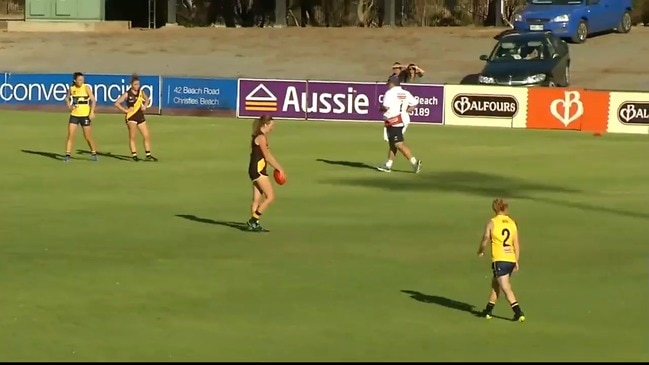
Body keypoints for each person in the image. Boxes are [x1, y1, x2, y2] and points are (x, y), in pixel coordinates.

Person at [476, 198, 526, 322]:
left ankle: (518, 312)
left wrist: (481, 250)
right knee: (495, 285)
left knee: (505, 287)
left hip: (500, 259)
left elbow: (485, 238)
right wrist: (516, 261)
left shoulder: (492, 222)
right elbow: (516, 244)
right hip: (510, 259)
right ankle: (488, 311)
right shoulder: (511, 222)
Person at [247, 115, 285, 232]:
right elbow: (267, 157)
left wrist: (278, 166)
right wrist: (280, 169)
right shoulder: (261, 138)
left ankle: (254, 224)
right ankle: (253, 220)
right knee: (270, 197)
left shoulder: (259, 136)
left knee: (256, 199)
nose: (272, 128)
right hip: (258, 170)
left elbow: (268, 154)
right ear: (265, 124)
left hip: (254, 170)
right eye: (271, 126)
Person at [377, 76, 421, 173]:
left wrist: (380, 108)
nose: (388, 86)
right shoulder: (405, 92)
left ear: (392, 83)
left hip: (394, 120)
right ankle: (388, 164)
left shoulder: (389, 93)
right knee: (393, 143)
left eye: (388, 84)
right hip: (402, 119)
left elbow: (386, 107)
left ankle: (414, 162)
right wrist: (407, 111)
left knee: (398, 143)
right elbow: (414, 103)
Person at [114, 74, 157, 161]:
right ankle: (134, 155)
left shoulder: (141, 92)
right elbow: (117, 103)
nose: (137, 86)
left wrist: (145, 105)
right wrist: (125, 111)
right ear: (131, 85)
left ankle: (148, 155)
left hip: (140, 115)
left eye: (138, 84)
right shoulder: (127, 94)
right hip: (131, 117)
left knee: (146, 135)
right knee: (133, 137)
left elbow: (147, 99)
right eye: (135, 84)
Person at [64, 72, 98, 162]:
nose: (81, 81)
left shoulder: (86, 88)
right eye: (79, 80)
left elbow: (93, 100)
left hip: (85, 115)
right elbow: (67, 98)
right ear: (75, 80)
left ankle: (94, 153)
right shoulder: (71, 88)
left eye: (82, 80)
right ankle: (67, 155)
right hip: (74, 115)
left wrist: (92, 112)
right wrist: (69, 106)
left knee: (87, 136)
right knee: (70, 135)